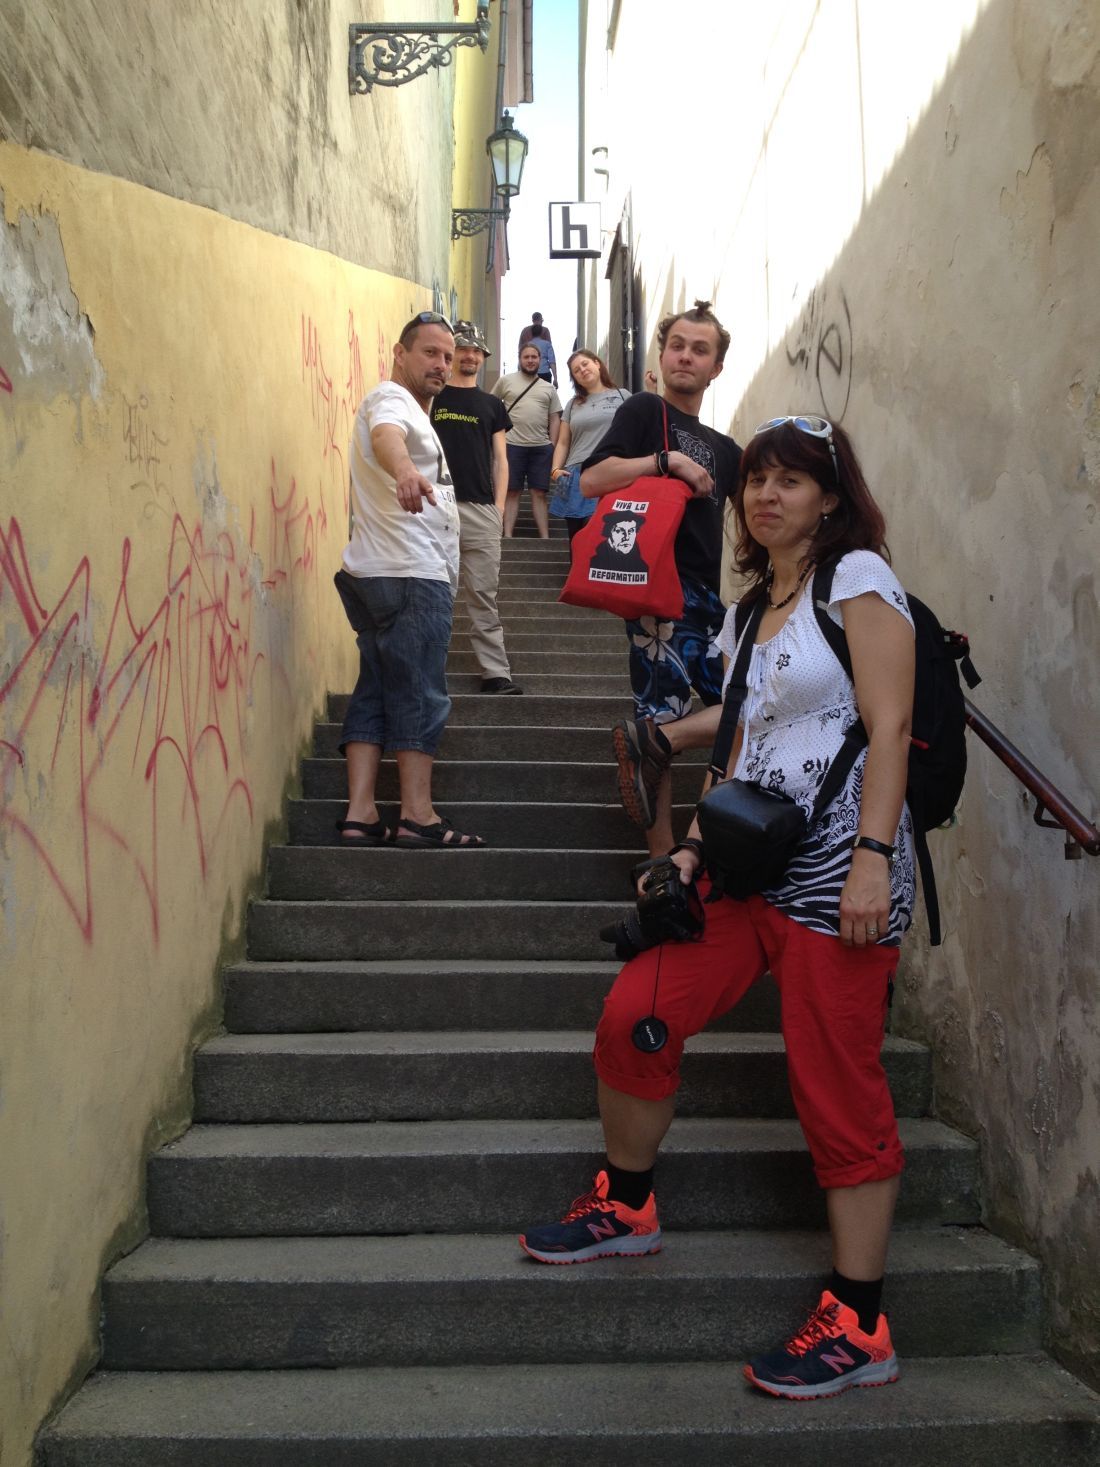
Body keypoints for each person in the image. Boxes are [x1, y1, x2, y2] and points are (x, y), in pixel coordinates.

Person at [520, 415, 917, 1401]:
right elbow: (738, 753)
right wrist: (690, 851)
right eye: (756, 480)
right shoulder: (746, 614)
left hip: (836, 876)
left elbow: (891, 724)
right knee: (637, 1007)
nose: (766, 495)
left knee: (835, 1083)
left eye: (791, 481)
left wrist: (872, 860)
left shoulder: (856, 581)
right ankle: (628, 1205)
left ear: (830, 498)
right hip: (745, 866)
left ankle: (859, 1321)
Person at [579, 300, 741, 857]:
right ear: (662, 354)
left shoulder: (725, 448)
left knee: (745, 713)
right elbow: (593, 479)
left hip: (709, 596)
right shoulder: (646, 410)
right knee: (671, 710)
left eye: (700, 350)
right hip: (658, 589)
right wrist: (665, 461)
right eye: (677, 346)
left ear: (716, 368)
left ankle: (690, 842)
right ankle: (661, 860)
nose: (686, 356)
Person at [332, 310, 486, 849]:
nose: (442, 364)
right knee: (420, 691)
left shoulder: (408, 408)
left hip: (375, 571)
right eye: (430, 353)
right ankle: (417, 815)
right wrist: (403, 470)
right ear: (400, 354)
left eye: (448, 356)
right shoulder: (392, 399)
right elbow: (386, 437)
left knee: (375, 690)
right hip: (410, 574)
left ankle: (360, 813)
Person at [430, 321, 523, 696]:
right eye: (463, 349)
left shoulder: (492, 405)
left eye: (476, 351)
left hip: (481, 510)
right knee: (434, 591)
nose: (470, 356)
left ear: (482, 358)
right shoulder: (433, 398)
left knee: (483, 594)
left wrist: (498, 510)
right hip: (436, 506)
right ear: (452, 355)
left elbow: (501, 460)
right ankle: (426, 670)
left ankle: (495, 673)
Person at [548, 350, 630, 541]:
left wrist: (652, 389)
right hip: (577, 475)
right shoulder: (572, 404)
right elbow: (563, 442)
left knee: (605, 536)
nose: (582, 370)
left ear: (597, 363)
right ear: (575, 378)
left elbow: (640, 426)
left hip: (612, 471)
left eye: (585, 364)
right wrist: (555, 470)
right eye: (576, 370)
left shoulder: (623, 395)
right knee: (578, 538)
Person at [492, 344, 562, 539]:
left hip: (541, 448)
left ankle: (545, 538)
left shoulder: (548, 388)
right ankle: (507, 536)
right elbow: (491, 407)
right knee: (512, 492)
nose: (530, 360)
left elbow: (555, 417)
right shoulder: (505, 381)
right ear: (520, 359)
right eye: (526, 357)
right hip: (511, 445)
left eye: (534, 357)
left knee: (539, 493)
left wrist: (552, 444)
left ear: (540, 360)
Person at [517, 311, 557, 386]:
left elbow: (520, 351)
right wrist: (555, 378)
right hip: (544, 371)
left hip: (528, 371)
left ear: (532, 320)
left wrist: (519, 370)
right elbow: (551, 358)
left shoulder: (525, 331)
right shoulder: (545, 331)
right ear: (541, 320)